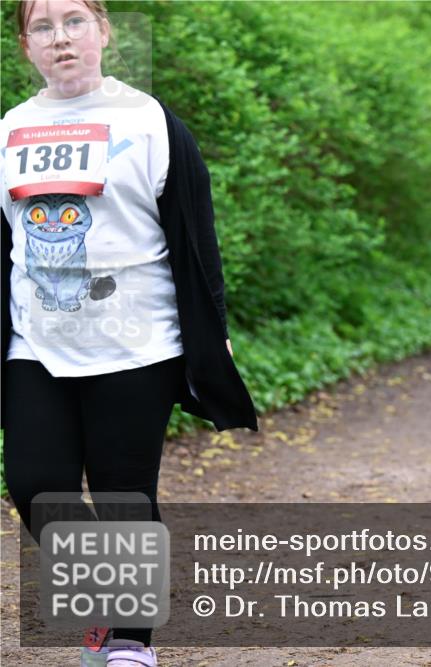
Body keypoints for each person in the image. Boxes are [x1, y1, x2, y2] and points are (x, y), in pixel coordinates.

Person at [1, 2, 258, 665]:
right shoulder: (10, 130)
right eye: (42, 26)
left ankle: (129, 642)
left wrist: (213, 332)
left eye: (74, 20)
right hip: (36, 343)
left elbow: (196, 237)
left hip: (138, 342)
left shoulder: (149, 122)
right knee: (34, 482)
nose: (60, 38)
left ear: (104, 31)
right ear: (24, 45)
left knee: (123, 493)